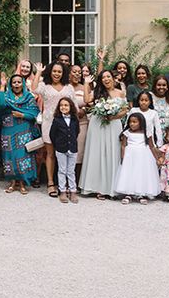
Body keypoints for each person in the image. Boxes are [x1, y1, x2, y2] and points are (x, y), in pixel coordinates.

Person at [79, 70, 127, 200]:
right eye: (103, 77)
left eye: (108, 77)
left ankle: (111, 188)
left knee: (112, 153)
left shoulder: (120, 93)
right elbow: (86, 100)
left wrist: (112, 117)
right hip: (98, 124)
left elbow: (124, 110)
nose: (106, 79)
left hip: (113, 124)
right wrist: (86, 83)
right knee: (97, 153)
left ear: (113, 78)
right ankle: (97, 187)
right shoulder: (98, 92)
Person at [31, 61, 75, 198]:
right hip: (49, 122)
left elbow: (74, 106)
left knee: (65, 154)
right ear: (50, 72)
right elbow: (34, 89)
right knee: (50, 154)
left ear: (63, 73)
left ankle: (66, 184)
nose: (57, 74)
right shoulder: (45, 86)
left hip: (65, 124)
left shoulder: (69, 88)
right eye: (54, 71)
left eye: (59, 71)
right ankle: (50, 183)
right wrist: (38, 72)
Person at [0, 74, 39, 193]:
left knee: (22, 156)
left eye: (19, 82)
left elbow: (34, 113)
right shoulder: (6, 96)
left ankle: (22, 183)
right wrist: (2, 86)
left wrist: (23, 115)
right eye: (14, 82)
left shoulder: (29, 97)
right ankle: (12, 182)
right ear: (11, 84)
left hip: (23, 130)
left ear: (23, 84)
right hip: (8, 130)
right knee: (9, 157)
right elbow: (0, 105)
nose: (16, 84)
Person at [115, 112, 160, 204]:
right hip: (130, 156)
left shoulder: (147, 133)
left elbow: (152, 146)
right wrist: (123, 157)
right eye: (130, 122)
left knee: (141, 174)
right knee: (129, 173)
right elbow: (123, 146)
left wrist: (157, 158)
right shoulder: (127, 133)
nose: (132, 124)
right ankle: (128, 193)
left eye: (135, 122)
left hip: (143, 156)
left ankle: (141, 194)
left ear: (141, 122)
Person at [50, 97, 80, 204]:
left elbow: (77, 132)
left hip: (72, 148)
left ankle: (72, 191)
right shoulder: (57, 120)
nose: (64, 107)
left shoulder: (74, 119)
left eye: (66, 105)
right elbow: (52, 135)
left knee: (71, 170)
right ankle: (62, 190)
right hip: (61, 148)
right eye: (61, 105)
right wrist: (58, 145)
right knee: (62, 170)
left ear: (71, 107)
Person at [69, 64, 89, 170]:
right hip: (67, 122)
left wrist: (84, 110)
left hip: (82, 122)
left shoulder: (84, 87)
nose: (77, 74)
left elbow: (91, 104)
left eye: (79, 72)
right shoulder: (64, 87)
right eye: (74, 72)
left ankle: (78, 178)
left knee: (80, 150)